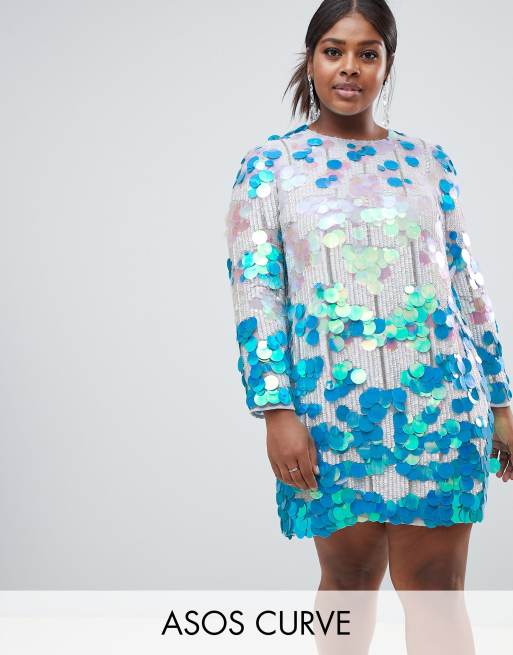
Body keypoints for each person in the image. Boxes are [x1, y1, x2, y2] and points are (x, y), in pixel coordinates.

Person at [224, 0, 513, 593]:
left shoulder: (428, 162)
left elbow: (466, 282)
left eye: (368, 53)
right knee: (349, 582)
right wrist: (276, 411)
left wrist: (502, 402)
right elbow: (256, 295)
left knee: (437, 588)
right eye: (334, 51)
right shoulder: (270, 166)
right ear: (311, 60)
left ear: (387, 65)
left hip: (442, 407)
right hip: (331, 412)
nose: (350, 67)